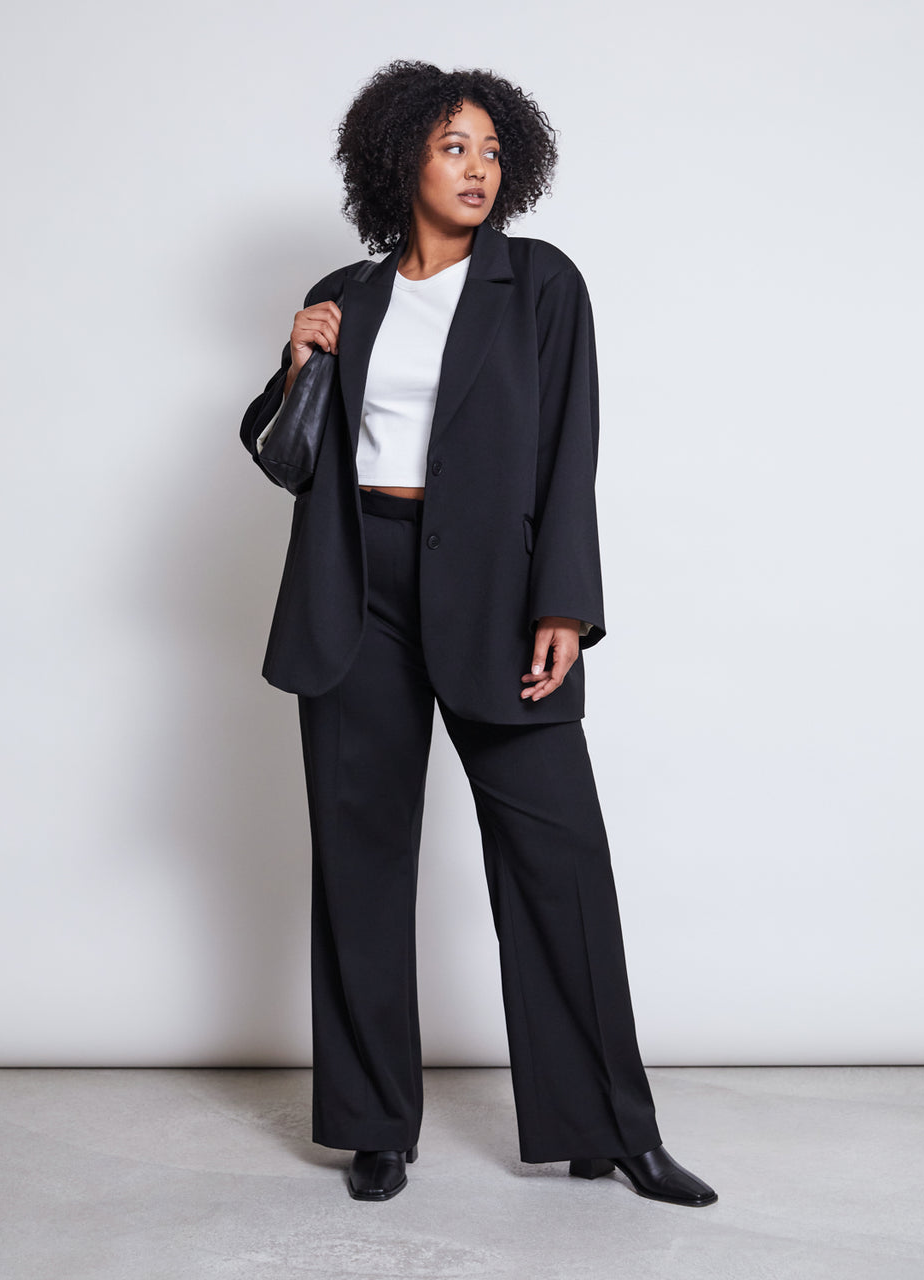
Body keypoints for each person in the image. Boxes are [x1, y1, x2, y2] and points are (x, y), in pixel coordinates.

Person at [239, 60, 717, 1208]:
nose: (477, 168)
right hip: (358, 591)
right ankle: (371, 1122)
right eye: (454, 147)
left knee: (559, 859)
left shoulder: (539, 284)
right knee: (360, 862)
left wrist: (565, 604)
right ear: (400, 157)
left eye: (492, 150)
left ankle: (611, 1126)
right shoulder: (344, 295)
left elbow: (571, 450)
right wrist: (298, 360)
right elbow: (285, 456)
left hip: (503, 594)